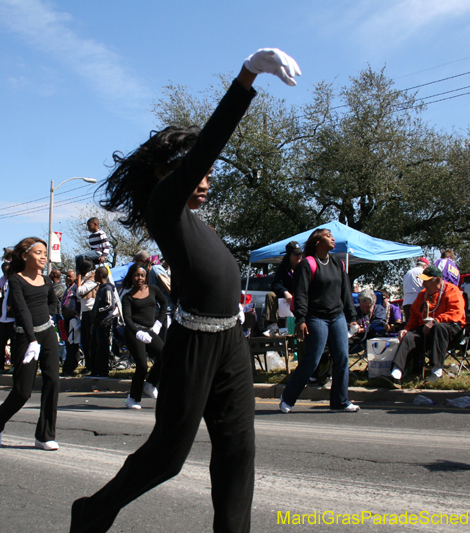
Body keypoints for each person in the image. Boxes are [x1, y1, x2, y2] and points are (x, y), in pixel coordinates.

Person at [69, 48, 301, 533]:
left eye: (208, 174)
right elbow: (207, 148)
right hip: (193, 343)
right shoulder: (164, 204)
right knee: (167, 456)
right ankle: (92, 511)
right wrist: (246, 77)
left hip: (232, 342)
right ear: (167, 173)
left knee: (239, 448)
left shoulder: (194, 219)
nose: (207, 179)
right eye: (197, 171)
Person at [0, 237, 60, 451]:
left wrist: (50, 318)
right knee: (22, 392)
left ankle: (45, 436)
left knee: (53, 382)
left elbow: (53, 302)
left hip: (47, 335)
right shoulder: (16, 281)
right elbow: (21, 311)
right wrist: (31, 340)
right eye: (39, 252)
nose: (43, 257)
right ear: (24, 256)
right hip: (24, 337)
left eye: (45, 253)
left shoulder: (47, 280)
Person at [279, 228, 360, 414]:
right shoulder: (307, 264)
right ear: (317, 241)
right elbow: (300, 294)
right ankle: (288, 398)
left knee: (342, 358)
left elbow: (346, 293)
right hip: (316, 318)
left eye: (332, 236)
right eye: (328, 236)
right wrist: (300, 318)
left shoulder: (338, 264)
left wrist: (352, 318)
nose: (332, 239)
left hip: (337, 316)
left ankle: (340, 402)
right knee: (312, 360)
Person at [385, 265, 466, 385]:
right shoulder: (422, 294)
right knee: (408, 336)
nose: (423, 284)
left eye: (426, 281)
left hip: (449, 329)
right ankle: (396, 373)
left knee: (438, 328)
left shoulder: (452, 291)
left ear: (438, 280)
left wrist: (436, 320)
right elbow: (414, 316)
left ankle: (437, 371)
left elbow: (456, 313)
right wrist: (407, 329)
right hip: (426, 329)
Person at [121, 262, 167, 409]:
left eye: (142, 275)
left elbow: (165, 302)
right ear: (131, 277)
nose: (139, 278)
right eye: (136, 275)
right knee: (142, 365)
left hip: (150, 330)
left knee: (165, 355)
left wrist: (159, 322)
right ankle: (133, 398)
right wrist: (137, 332)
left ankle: (151, 384)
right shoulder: (128, 297)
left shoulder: (153, 289)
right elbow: (127, 319)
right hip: (134, 332)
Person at [264, 241, 303, 327]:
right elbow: (276, 284)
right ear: (289, 255)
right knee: (270, 295)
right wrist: (285, 292)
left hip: (300, 297)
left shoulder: (305, 266)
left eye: (300, 253)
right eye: (296, 254)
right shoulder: (282, 268)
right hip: (286, 299)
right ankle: (272, 325)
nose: (299, 256)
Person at [89, 266, 119, 378]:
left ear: (101, 275)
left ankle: (103, 370)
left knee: (103, 346)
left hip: (104, 321)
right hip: (97, 322)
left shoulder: (107, 288)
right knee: (94, 346)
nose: (94, 276)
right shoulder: (100, 287)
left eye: (96, 273)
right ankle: (95, 369)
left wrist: (98, 311)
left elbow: (109, 305)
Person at [0, 259, 15, 374]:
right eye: (4, 271)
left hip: (12, 318)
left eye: (7, 271)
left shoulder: (15, 282)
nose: (6, 273)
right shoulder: (3, 282)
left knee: (14, 343)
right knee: (1, 344)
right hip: (3, 318)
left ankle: (14, 365)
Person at [402, 257, 429, 323]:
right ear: (425, 265)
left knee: (409, 324)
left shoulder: (408, 273)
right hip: (417, 300)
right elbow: (426, 286)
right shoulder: (422, 272)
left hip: (406, 302)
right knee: (418, 324)